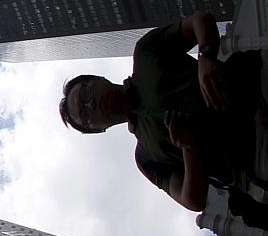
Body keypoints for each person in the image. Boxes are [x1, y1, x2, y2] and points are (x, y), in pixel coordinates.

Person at [59, 11, 263, 213]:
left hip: (255, 83)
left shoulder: (145, 52)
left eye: (85, 93)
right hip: (253, 155)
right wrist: (189, 148)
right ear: (99, 129)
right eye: (85, 116)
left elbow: (200, 21)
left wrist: (206, 57)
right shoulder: (146, 158)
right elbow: (192, 200)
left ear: (98, 79)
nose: (91, 104)